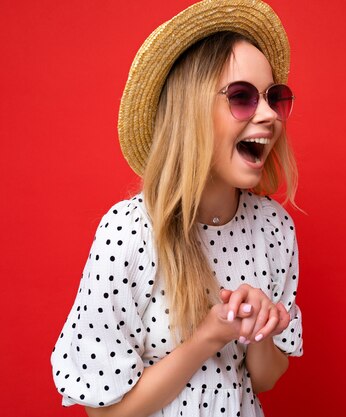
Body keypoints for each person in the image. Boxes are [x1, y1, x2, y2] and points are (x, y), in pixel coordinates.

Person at [50, 1, 303, 416]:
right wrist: (207, 337)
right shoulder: (129, 231)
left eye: (274, 98)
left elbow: (266, 379)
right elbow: (104, 414)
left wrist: (257, 329)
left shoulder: (274, 228)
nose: (269, 114)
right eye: (241, 97)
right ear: (191, 113)